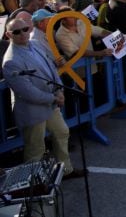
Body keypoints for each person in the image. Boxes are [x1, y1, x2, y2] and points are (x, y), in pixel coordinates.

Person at [1, 16, 85, 179]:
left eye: (25, 29)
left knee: (62, 132)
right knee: (35, 149)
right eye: (16, 32)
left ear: (30, 29)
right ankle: (32, 185)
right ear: (9, 35)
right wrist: (54, 98)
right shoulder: (11, 61)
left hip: (50, 103)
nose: (22, 34)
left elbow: (52, 68)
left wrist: (59, 89)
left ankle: (65, 169)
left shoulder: (36, 44)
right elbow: (27, 92)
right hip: (32, 110)